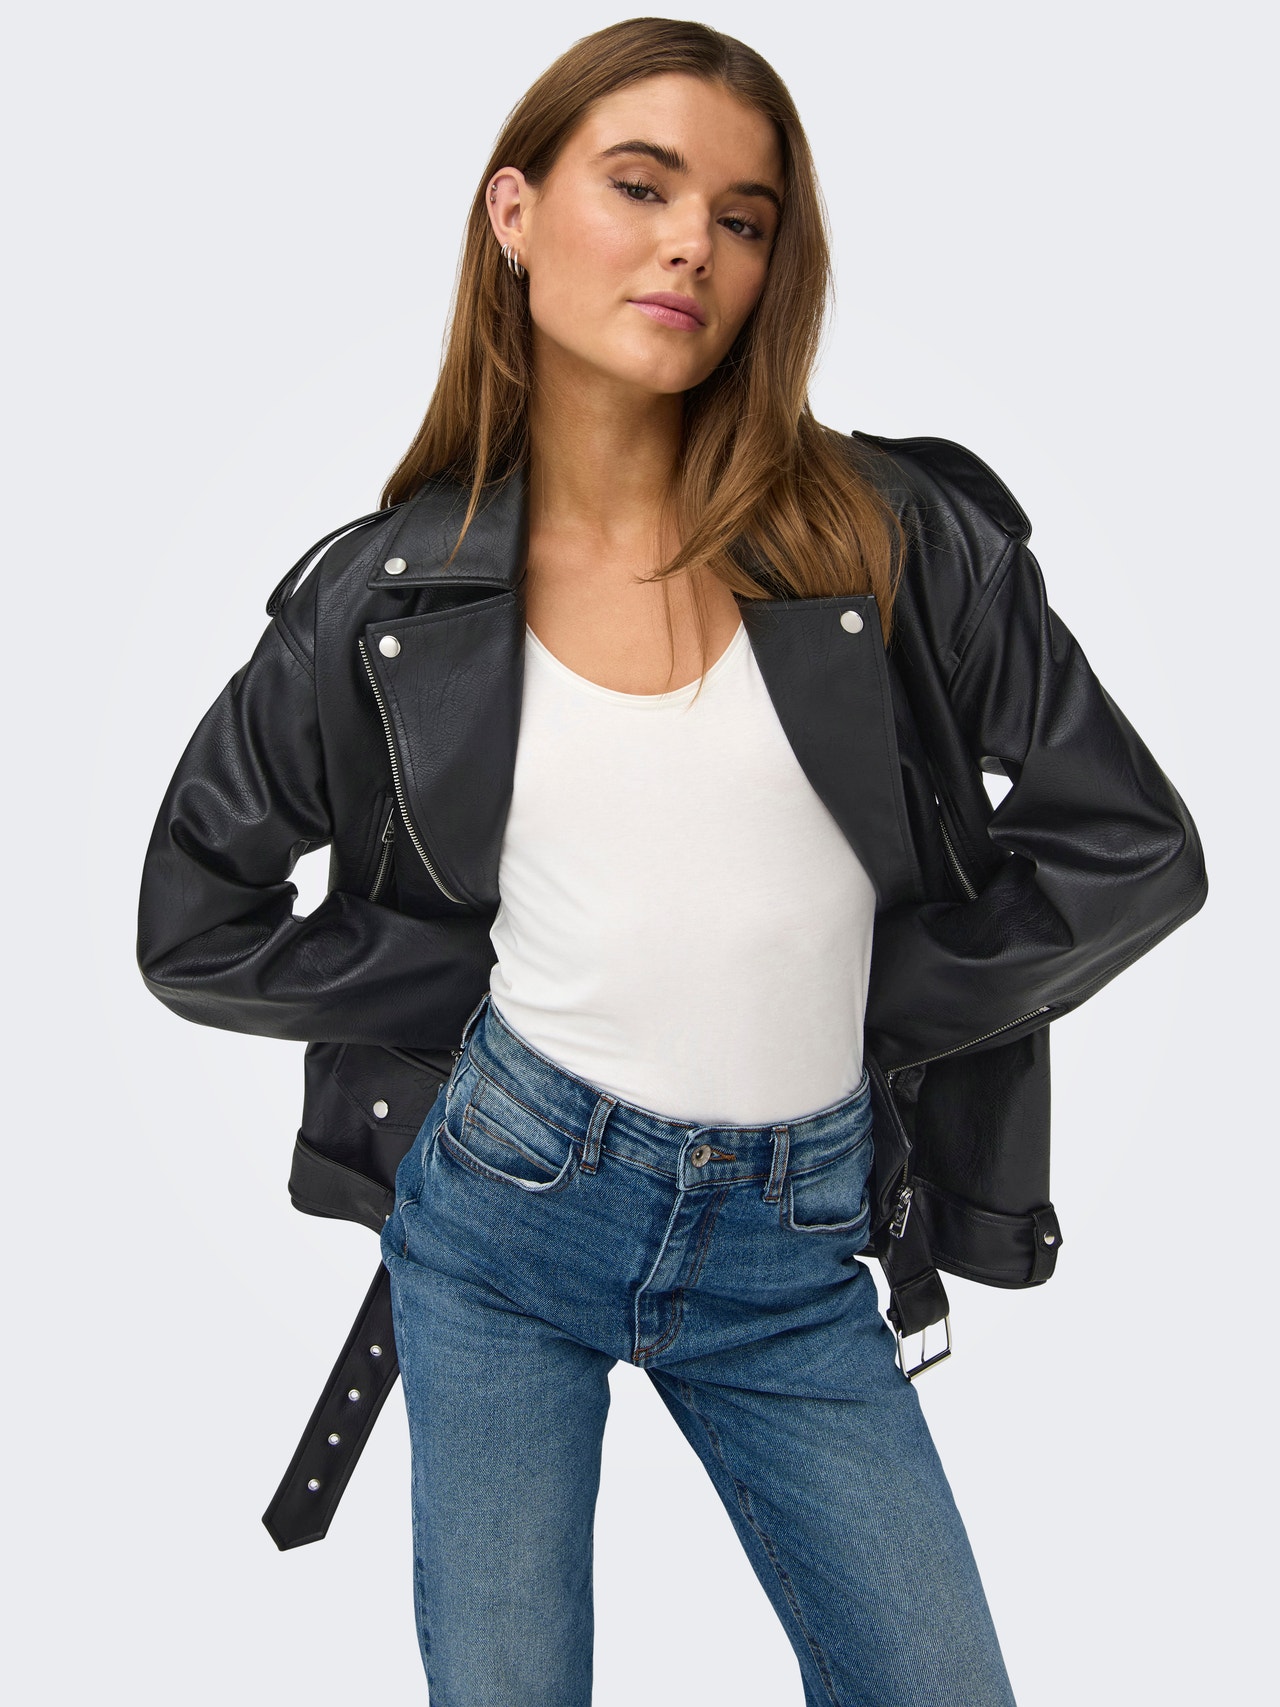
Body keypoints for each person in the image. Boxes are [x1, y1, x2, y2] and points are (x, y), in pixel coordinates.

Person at [136, 16, 1208, 1705]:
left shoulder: (896, 539)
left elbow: (1131, 847)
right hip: (504, 1215)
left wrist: (866, 1005)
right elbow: (197, 918)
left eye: (743, 214)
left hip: (797, 1237)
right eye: (640, 186)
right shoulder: (389, 599)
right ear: (514, 213)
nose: (693, 243)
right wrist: (480, 994)